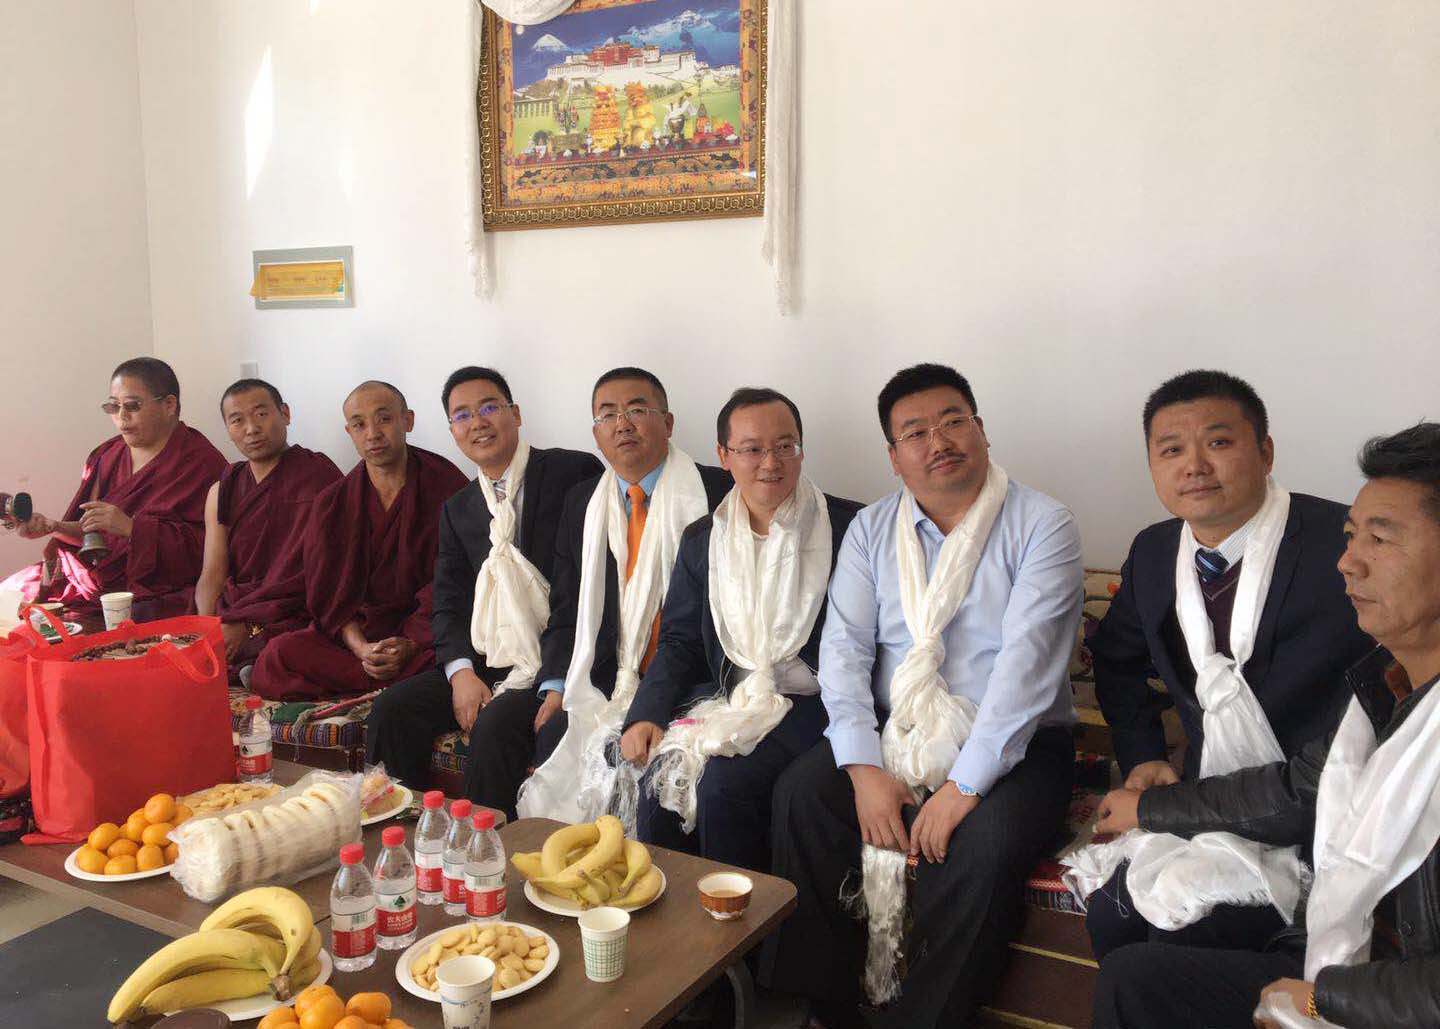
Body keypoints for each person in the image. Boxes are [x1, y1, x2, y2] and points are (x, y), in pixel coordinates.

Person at [761, 363, 1084, 1029]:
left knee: (981, 846)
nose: (938, 441)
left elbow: (1026, 672)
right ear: (894, 455)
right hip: (897, 730)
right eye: (915, 432)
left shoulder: (1043, 524)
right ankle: (828, 1009)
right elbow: (844, 653)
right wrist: (863, 770)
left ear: (981, 429)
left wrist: (963, 787)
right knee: (802, 796)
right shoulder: (871, 529)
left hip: (1018, 745)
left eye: (952, 421)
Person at [1092, 422, 1440, 1029]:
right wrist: (1147, 806)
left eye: (1381, 539)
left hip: (1385, 986)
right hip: (1341, 948)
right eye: (1352, 536)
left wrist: (1322, 999)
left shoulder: (1312, 551)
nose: (1348, 563)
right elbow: (1296, 787)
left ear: (1265, 451)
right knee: (1130, 965)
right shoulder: (1385, 685)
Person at [1068, 370, 1372, 960]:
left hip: (1321, 810)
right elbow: (1116, 658)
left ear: (1266, 451)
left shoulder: (1343, 545)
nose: (1195, 466)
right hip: (1201, 795)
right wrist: (1145, 755)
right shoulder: (1155, 552)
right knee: (1111, 917)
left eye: (1219, 442)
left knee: (1180, 940)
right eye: (1171, 450)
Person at [620, 387, 860, 871]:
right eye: (752, 449)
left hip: (818, 701)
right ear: (724, 455)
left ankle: (740, 917)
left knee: (724, 787)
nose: (771, 462)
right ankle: (675, 914)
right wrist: (645, 713)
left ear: (800, 449)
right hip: (733, 695)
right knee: (659, 783)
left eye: (785, 446)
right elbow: (680, 642)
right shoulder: (703, 539)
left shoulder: (850, 526)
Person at [364, 367, 600, 814]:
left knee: (495, 726)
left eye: (489, 407)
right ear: (452, 430)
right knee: (393, 709)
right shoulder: (459, 508)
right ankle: (401, 833)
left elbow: (585, 587)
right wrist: (460, 674)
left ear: (516, 414)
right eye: (462, 415)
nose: (477, 422)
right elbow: (447, 601)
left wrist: (556, 679)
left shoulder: (572, 473)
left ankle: (484, 848)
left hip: (555, 660)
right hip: (490, 659)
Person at [516, 367, 730, 825]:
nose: (622, 424)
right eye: (607, 415)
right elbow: (568, 608)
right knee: (549, 732)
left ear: (667, 423)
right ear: (596, 434)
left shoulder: (719, 493)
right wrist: (555, 685)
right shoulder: (581, 504)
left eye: (637, 410)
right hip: (607, 680)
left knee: (659, 768)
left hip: (695, 676)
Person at [250, 381, 467, 700]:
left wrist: (410, 643)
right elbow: (328, 595)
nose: (372, 433)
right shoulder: (332, 502)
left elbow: (454, 580)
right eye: (359, 424)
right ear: (349, 432)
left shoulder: (447, 485)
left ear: (407, 420)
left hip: (424, 634)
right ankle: (382, 680)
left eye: (384, 419)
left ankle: (376, 682)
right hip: (358, 637)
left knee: (457, 657)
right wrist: (362, 648)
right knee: (277, 655)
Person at [2, 357, 227, 619]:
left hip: (155, 590)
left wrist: (132, 528)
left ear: (169, 405)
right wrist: (56, 527)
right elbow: (94, 538)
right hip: (91, 580)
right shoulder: (107, 456)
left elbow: (210, 552)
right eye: (113, 406)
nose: (121, 417)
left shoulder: (201, 463)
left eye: (132, 406)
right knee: (8, 597)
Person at [193, 379, 341, 686]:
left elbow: (329, 573)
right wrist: (210, 629)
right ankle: (250, 665)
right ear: (228, 429)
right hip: (236, 608)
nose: (251, 429)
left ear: (285, 414)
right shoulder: (222, 490)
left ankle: (258, 664)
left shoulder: (320, 477)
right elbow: (212, 572)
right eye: (237, 420)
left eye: (261, 414)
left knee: (293, 646)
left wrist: (250, 625)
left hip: (294, 611)